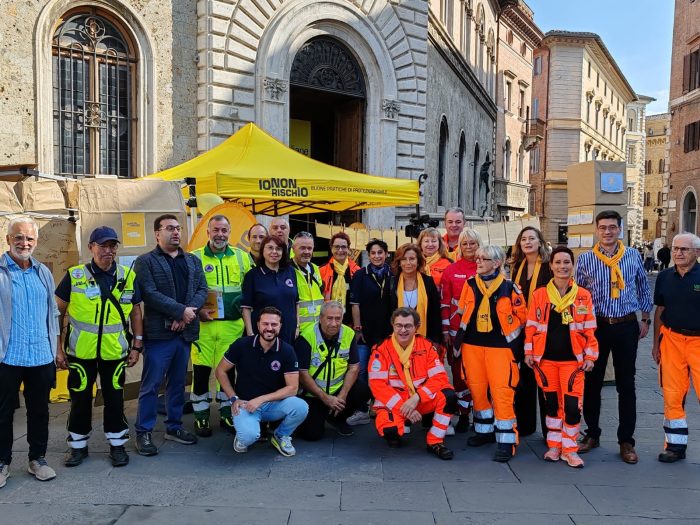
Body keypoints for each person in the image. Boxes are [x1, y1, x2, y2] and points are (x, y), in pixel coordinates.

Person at [54, 226, 143, 468]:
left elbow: (136, 312)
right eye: (102, 245)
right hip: (80, 353)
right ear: (91, 247)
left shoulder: (128, 276)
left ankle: (117, 445)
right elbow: (57, 312)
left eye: (112, 246)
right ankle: (78, 446)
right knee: (80, 397)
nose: (108, 250)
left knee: (114, 397)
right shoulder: (75, 275)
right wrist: (58, 348)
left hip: (115, 352)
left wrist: (137, 345)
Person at [575, 210, 653, 464]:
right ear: (596, 230)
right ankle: (592, 433)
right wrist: (581, 328)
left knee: (626, 384)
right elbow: (579, 295)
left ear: (619, 229)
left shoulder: (632, 255)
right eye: (603, 227)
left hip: (625, 325)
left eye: (612, 227)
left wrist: (645, 318)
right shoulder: (586, 259)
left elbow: (642, 285)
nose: (607, 232)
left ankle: (626, 441)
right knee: (592, 381)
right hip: (596, 326)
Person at [134, 214, 208, 456]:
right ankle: (143, 432)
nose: (176, 232)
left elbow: (202, 289)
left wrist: (187, 314)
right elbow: (149, 292)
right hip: (158, 336)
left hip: (183, 334)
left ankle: (173, 427)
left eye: (178, 228)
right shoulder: (145, 261)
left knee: (177, 384)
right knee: (151, 385)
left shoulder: (193, 261)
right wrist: (180, 311)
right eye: (169, 228)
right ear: (157, 233)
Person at [524, 246, 598, 468]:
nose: (562, 266)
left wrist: (591, 356)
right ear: (551, 266)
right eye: (558, 262)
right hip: (545, 361)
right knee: (552, 405)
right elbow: (531, 327)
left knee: (573, 407)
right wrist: (529, 352)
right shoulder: (540, 295)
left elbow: (589, 330)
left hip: (572, 363)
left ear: (573, 266)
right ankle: (555, 446)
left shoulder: (583, 296)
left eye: (567, 262)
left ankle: (570, 449)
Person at [0, 217, 60, 486]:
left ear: (36, 242)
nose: (24, 243)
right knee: (2, 412)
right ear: (8, 240)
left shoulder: (43, 272)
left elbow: (53, 313)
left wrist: (56, 348)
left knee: (40, 410)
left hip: (40, 355)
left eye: (29, 239)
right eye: (18, 238)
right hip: (7, 356)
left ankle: (38, 459)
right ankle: (2, 463)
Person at [455, 245, 527, 462]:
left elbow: (522, 317)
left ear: (496, 263)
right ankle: (483, 431)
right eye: (477, 258)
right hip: (472, 346)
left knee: (502, 392)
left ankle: (506, 441)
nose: (478, 262)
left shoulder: (510, 288)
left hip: (501, 349)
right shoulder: (469, 285)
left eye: (483, 259)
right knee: (477, 389)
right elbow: (462, 312)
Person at [215, 307, 309, 456]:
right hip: (245, 404)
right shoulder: (241, 345)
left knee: (301, 407)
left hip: (273, 405)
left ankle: (280, 436)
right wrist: (233, 398)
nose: (269, 328)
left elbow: (292, 388)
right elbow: (220, 371)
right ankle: (243, 436)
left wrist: (261, 399)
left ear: (280, 326)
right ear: (258, 325)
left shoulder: (287, 351)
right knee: (248, 438)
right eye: (265, 324)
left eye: (274, 324)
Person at [190, 215, 253, 437]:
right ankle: (201, 417)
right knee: (201, 373)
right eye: (216, 230)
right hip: (204, 328)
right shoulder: (194, 258)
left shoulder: (242, 257)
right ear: (208, 232)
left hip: (232, 327)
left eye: (224, 231)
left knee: (228, 373)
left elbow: (250, 289)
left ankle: (227, 413)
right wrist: (197, 311)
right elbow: (187, 292)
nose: (220, 235)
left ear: (230, 232)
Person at [369, 307, 457, 459]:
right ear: (393, 325)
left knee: (448, 396)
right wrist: (405, 408)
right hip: (395, 403)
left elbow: (440, 377)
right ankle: (399, 429)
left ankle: (435, 441)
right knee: (391, 432)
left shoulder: (426, 346)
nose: (403, 330)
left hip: (419, 400)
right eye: (399, 325)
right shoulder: (381, 350)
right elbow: (378, 386)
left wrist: (417, 398)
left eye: (408, 326)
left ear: (416, 327)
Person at [652, 233, 700, 463]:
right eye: (675, 249)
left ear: (697, 253)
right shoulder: (664, 277)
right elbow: (660, 311)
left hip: (698, 342)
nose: (678, 253)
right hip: (671, 340)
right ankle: (675, 446)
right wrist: (655, 345)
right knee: (672, 395)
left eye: (685, 249)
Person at [295, 301, 371, 440]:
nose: (334, 323)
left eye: (338, 318)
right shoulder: (306, 336)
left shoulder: (348, 333)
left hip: (338, 391)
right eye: (329, 318)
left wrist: (342, 396)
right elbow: (302, 373)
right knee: (312, 435)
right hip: (314, 394)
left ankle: (337, 418)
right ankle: (318, 416)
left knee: (363, 390)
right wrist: (325, 398)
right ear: (321, 318)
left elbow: (354, 367)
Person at [510, 226, 552, 438]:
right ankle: (526, 425)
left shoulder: (548, 267)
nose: (527, 242)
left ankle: (549, 430)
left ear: (539, 242)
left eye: (532, 238)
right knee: (524, 380)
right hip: (521, 328)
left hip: (544, 328)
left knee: (544, 379)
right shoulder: (517, 265)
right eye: (523, 239)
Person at [348, 239, 394, 425]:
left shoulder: (393, 274)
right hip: (365, 332)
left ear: (386, 254)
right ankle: (361, 409)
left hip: (387, 332)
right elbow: (354, 303)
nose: (376, 256)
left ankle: (382, 406)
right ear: (368, 255)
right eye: (373, 253)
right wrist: (358, 328)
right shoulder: (360, 275)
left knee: (386, 372)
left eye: (380, 252)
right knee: (362, 371)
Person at [440, 228, 481, 433]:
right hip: (457, 332)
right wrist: (446, 331)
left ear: (478, 244)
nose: (468, 247)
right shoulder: (450, 270)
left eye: (472, 243)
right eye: (464, 244)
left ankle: (481, 417)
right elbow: (445, 303)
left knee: (479, 375)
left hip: (481, 333)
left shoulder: (487, 267)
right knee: (458, 375)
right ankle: (464, 415)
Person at [242, 235, 299, 344]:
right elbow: (246, 308)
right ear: (262, 251)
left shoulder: (290, 271)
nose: (274, 252)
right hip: (264, 334)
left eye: (278, 249)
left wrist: (297, 327)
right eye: (270, 248)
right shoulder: (252, 275)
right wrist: (250, 333)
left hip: (288, 333)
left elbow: (296, 302)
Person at [389, 243, 442, 345]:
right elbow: (386, 313)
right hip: (396, 340)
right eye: (404, 259)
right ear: (399, 262)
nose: (408, 263)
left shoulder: (428, 282)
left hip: (425, 340)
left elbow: (435, 314)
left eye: (412, 259)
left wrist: (435, 341)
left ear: (418, 261)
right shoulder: (391, 283)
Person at [319, 232, 360, 326]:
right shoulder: (321, 271)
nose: (340, 250)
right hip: (328, 323)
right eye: (337, 247)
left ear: (349, 249)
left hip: (350, 323)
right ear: (331, 248)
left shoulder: (357, 271)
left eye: (344, 247)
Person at [291, 232, 324, 333]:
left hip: (318, 329)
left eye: (309, 248)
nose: (306, 251)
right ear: (293, 249)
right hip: (298, 331)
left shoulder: (315, 268)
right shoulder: (287, 270)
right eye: (302, 248)